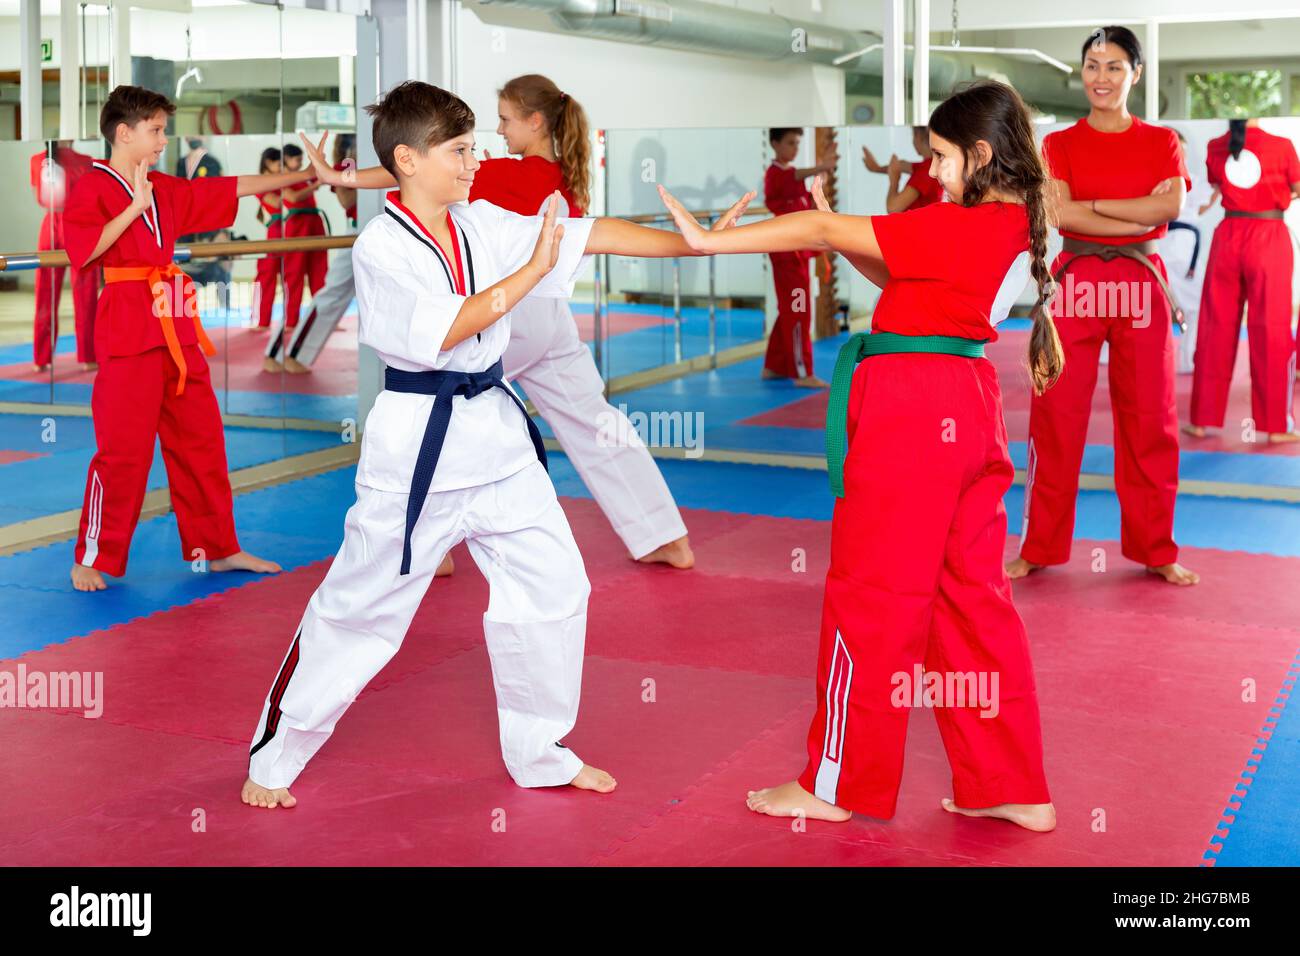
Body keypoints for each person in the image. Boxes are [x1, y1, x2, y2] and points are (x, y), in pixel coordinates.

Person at [240, 80, 755, 810]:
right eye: (458, 150)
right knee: (361, 611)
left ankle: (539, 750)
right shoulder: (382, 248)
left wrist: (697, 242)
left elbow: (593, 232)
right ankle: (277, 752)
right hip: (420, 450)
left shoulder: (480, 222)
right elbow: (446, 330)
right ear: (409, 161)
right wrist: (530, 277)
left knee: (554, 587)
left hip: (498, 444)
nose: (473, 160)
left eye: (477, 144)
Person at [657, 79, 1058, 832]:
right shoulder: (994, 224)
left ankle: (835, 785)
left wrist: (709, 241)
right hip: (965, 404)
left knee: (870, 596)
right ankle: (1010, 783)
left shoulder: (963, 225)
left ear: (979, 153)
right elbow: (899, 272)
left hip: (912, 409)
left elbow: (818, 230)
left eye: (941, 158)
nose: (931, 172)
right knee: (971, 601)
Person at [295, 75, 695, 570]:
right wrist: (691, 243)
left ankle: (424, 539)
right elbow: (591, 233)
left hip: (505, 306)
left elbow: (413, 171)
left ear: (535, 121)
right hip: (548, 309)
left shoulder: (505, 174)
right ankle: (662, 535)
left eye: (505, 121)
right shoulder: (564, 171)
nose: (493, 141)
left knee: (437, 396)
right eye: (467, 146)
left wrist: (343, 179)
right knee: (595, 422)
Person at [60, 85, 318, 591]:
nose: (162, 140)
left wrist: (306, 174)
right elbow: (84, 251)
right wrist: (133, 209)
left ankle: (216, 548)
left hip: (175, 324)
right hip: (129, 329)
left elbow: (225, 190)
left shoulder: (163, 186)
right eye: (155, 130)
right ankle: (92, 556)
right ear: (124, 132)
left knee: (202, 442)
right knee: (123, 452)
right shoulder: (91, 187)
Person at [1008, 25, 1199, 587]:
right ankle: (1039, 544)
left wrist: (1094, 204)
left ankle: (1155, 548)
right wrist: (1132, 212)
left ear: (1135, 74)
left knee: (1151, 419)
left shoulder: (1161, 140)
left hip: (1142, 281)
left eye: (1114, 66)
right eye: (1092, 65)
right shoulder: (1058, 144)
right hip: (1075, 283)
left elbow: (1170, 206)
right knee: (1055, 416)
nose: (1101, 77)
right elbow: (1061, 216)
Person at [1185, 118, 1300, 443]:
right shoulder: (1281, 146)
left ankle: (1201, 421)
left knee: (1214, 326)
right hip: (1269, 236)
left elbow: (1220, 186)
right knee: (1272, 329)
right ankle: (1276, 426)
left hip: (1229, 237)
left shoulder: (1215, 146)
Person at [264, 134, 358, 374]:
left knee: (324, 288)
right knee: (311, 290)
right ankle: (282, 352)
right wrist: (348, 168)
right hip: (300, 229)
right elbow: (346, 201)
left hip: (317, 228)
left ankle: (288, 352)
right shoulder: (347, 165)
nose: (295, 162)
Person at [762, 127, 835, 388]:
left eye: (797, 143)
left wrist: (821, 182)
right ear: (775, 144)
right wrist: (819, 167)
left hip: (797, 253)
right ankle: (803, 373)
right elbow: (791, 176)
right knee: (798, 312)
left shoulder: (792, 181)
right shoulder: (776, 175)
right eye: (790, 143)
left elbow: (807, 210)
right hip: (786, 254)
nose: (794, 149)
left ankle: (773, 365)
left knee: (790, 311)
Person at [31, 141, 99, 371]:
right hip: (77, 224)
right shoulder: (86, 162)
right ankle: (88, 356)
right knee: (85, 292)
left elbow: (38, 197)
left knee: (45, 292)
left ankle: (41, 360)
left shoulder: (37, 160)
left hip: (51, 220)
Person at [278, 143, 329, 333]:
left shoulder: (304, 177)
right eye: (297, 159)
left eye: (301, 159)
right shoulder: (284, 178)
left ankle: (321, 318)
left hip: (314, 223)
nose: (299, 163)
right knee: (295, 274)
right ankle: (291, 321)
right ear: (286, 159)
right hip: (297, 226)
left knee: (319, 272)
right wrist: (316, 184)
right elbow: (293, 198)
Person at [860, 125, 945, 212]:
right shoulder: (930, 166)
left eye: (913, 136)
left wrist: (894, 182)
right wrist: (877, 168)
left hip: (915, 225)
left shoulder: (925, 172)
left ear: (918, 136)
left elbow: (893, 208)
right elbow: (901, 165)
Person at [250, 147, 284, 331]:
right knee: (266, 278)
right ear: (269, 163)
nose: (282, 168)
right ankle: (262, 321)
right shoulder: (260, 182)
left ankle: (293, 321)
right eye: (279, 164)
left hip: (290, 231)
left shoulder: (280, 181)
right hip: (274, 234)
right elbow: (276, 202)